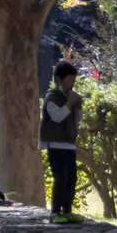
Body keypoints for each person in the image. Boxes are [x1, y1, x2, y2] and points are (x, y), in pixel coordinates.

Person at [41, 60, 81, 218]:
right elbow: (57, 117)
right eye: (70, 80)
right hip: (56, 144)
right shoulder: (51, 97)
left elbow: (77, 119)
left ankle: (67, 209)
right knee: (61, 177)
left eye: (74, 81)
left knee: (71, 178)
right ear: (59, 80)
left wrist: (78, 107)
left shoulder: (70, 97)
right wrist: (69, 104)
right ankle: (56, 211)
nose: (72, 84)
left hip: (69, 144)